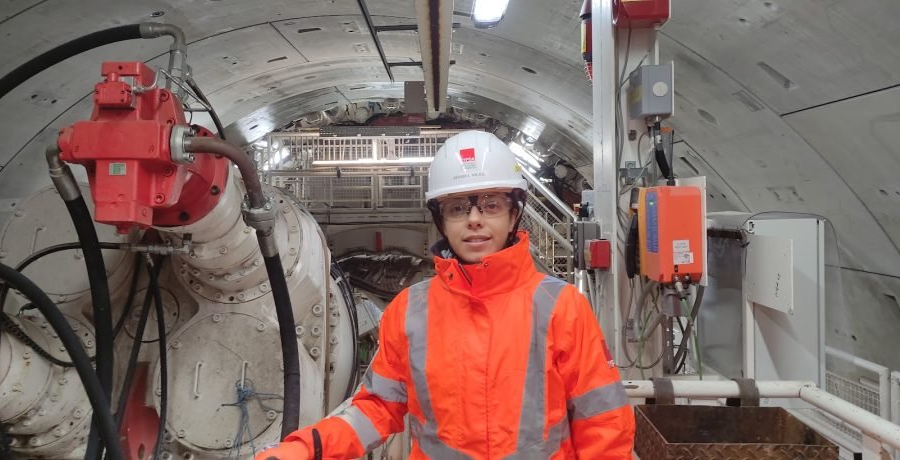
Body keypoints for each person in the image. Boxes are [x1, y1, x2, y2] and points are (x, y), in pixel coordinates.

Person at [257, 130, 634, 459]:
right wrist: (305, 449)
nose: (474, 219)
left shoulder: (562, 307)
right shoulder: (410, 312)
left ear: (514, 214)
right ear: (441, 220)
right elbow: (377, 409)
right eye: (457, 208)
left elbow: (604, 425)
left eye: (490, 204)